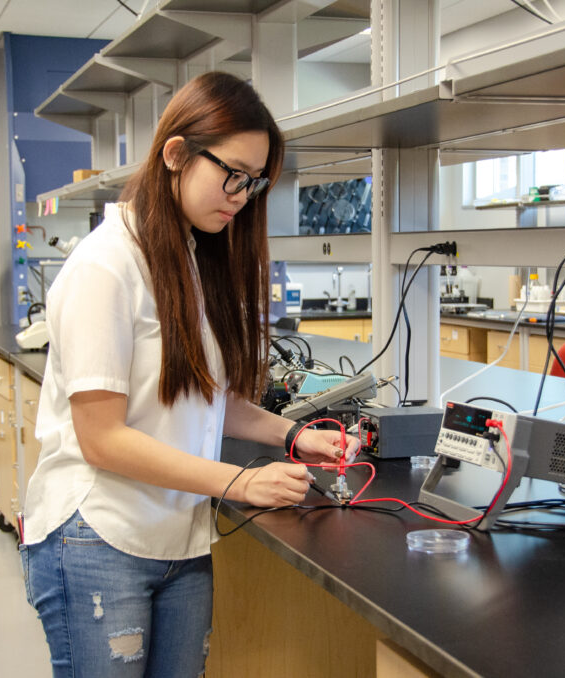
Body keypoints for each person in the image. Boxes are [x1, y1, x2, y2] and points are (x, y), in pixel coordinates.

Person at [19, 71, 358, 678]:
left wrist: (292, 435)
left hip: (179, 536)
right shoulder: (106, 264)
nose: (240, 195)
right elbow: (102, 437)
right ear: (175, 154)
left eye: (253, 183)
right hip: (100, 537)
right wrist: (240, 483)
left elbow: (200, 398)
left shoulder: (188, 258)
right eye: (232, 173)